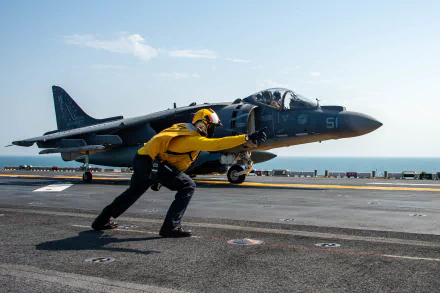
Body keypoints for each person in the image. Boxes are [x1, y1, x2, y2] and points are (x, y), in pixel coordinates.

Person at [91, 108, 267, 237]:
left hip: (144, 159)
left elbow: (168, 154)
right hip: (151, 162)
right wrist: (247, 138)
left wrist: (155, 174)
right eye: (211, 126)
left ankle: (101, 220)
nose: (212, 130)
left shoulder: (183, 129)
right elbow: (216, 145)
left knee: (132, 193)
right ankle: (170, 227)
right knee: (187, 186)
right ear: (203, 124)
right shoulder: (191, 139)